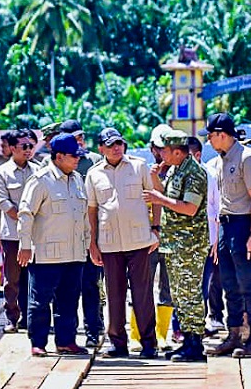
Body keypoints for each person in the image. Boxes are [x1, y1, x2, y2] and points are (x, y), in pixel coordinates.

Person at [86, 128, 160, 359]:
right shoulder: (94, 174)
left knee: (143, 294)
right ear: (101, 148)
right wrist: (92, 243)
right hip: (109, 244)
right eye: (110, 145)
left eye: (119, 143)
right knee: (114, 295)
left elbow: (155, 198)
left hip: (139, 241)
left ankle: (149, 344)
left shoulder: (139, 166)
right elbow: (92, 210)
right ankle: (118, 343)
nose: (116, 148)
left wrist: (156, 229)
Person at [17, 133, 92, 357]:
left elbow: (84, 218)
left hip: (74, 253)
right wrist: (25, 245)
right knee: (40, 301)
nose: (78, 160)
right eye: (73, 156)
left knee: (69, 301)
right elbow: (26, 214)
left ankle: (66, 341)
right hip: (46, 254)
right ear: (59, 157)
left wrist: (88, 245)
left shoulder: (77, 180)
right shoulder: (41, 180)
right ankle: (38, 342)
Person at [203, 113, 251, 359]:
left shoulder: (247, 158)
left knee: (249, 283)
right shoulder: (220, 161)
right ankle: (234, 334)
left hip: (243, 225)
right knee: (229, 283)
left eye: (210, 135)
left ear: (221, 134)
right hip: (226, 225)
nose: (208, 141)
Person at [143, 130, 208, 362]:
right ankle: (187, 340)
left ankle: (195, 343)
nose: (160, 154)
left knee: (190, 294)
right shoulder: (175, 169)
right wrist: (155, 180)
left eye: (164, 150)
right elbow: (168, 195)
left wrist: (158, 199)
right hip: (174, 243)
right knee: (179, 295)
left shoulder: (194, 173)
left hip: (190, 245)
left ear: (178, 152)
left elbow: (189, 208)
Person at [59, 119, 105, 347]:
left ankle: (93, 330)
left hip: (89, 233)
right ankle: (67, 335)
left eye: (81, 137)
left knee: (91, 285)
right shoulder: (52, 166)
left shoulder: (95, 162)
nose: (80, 141)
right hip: (63, 235)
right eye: (75, 138)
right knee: (65, 288)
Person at [130, 123, 175, 351]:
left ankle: (162, 334)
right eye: (159, 148)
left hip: (172, 238)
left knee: (167, 288)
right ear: (152, 149)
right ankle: (136, 334)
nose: (163, 152)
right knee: (141, 285)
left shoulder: (180, 172)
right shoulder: (142, 172)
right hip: (146, 237)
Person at [0, 131, 38, 333]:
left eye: (30, 146)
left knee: (34, 278)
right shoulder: (2, 172)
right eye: (23, 146)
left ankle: (30, 318)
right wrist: (24, 218)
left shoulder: (38, 170)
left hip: (36, 234)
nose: (28, 150)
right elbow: (2, 202)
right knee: (12, 279)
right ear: (12, 148)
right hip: (12, 234)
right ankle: (12, 318)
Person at [188, 136, 225, 333]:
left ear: (197, 155)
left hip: (207, 238)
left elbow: (218, 209)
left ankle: (198, 326)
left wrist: (216, 241)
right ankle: (184, 328)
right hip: (184, 240)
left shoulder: (211, 174)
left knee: (203, 284)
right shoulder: (177, 175)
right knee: (184, 285)